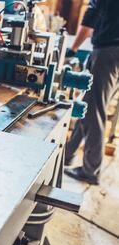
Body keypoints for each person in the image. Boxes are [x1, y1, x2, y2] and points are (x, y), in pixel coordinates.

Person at [64, 0, 119, 185]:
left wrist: (72, 49)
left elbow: (89, 22)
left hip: (107, 53)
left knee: (95, 112)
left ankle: (90, 170)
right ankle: (68, 154)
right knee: (90, 105)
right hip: (114, 54)